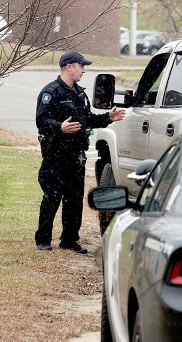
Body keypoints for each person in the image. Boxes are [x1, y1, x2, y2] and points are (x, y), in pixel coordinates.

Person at [34, 51, 125, 253]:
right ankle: (43, 240)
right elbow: (41, 121)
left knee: (74, 201)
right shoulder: (51, 92)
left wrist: (109, 117)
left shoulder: (79, 93)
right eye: (81, 66)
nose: (84, 69)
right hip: (56, 155)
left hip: (76, 157)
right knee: (52, 197)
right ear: (69, 67)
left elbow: (88, 120)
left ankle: (69, 240)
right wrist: (60, 127)